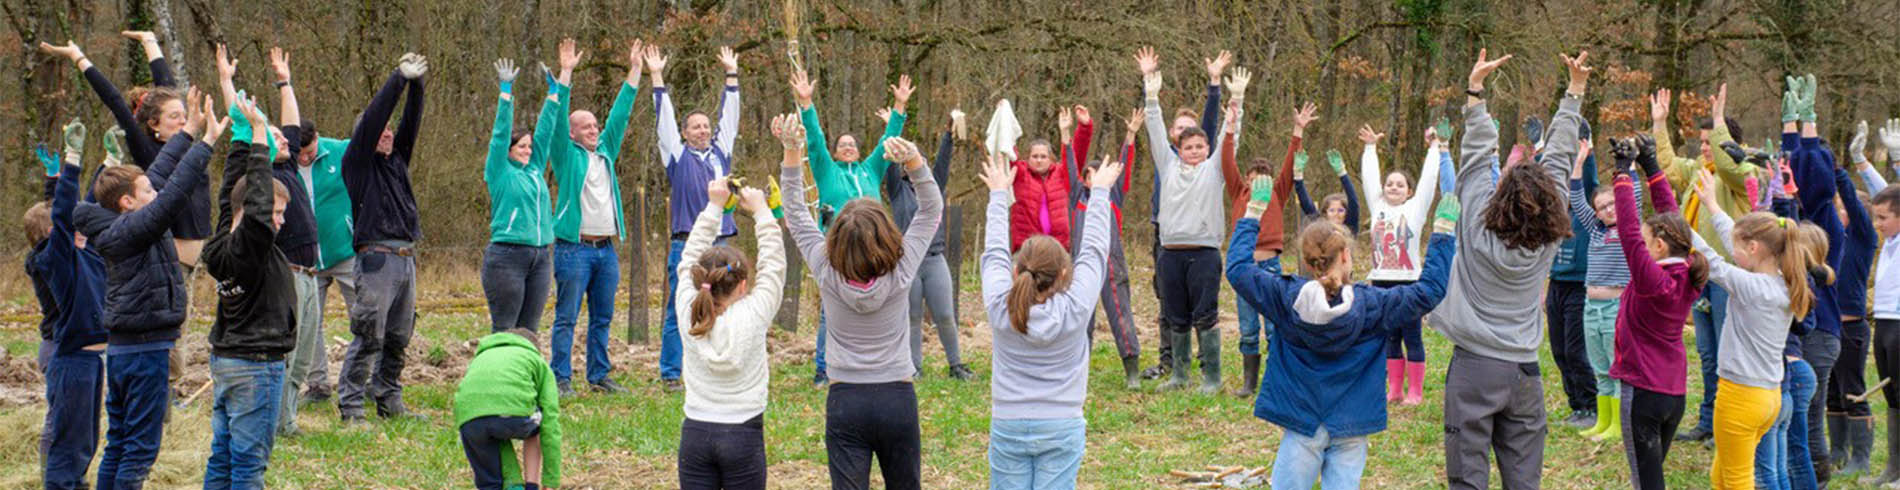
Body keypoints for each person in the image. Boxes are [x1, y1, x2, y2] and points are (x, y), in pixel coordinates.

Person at [1230, 166, 1459, 489]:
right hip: (1352, 421)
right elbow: (1429, 290)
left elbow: (1238, 269)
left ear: (1308, 261)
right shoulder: (1374, 305)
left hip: (1301, 420)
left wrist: (1253, 213)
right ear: (1346, 256)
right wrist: (1443, 234)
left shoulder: (1284, 298)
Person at [1431, 49, 1589, 490]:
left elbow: (1475, 158)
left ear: (1499, 197)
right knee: (1524, 483)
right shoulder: (1550, 237)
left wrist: (1475, 93)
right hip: (1524, 372)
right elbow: (1559, 160)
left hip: (1474, 368)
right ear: (1551, 205)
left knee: (1468, 480)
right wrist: (1574, 91)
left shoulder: (1475, 227)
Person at [775, 113, 940, 490]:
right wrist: (914, 161)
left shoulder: (825, 267)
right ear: (886, 232)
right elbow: (930, 209)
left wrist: (791, 151)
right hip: (897, 397)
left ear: (835, 237)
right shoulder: (902, 268)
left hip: (845, 399)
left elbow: (796, 213)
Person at [76, 88, 224, 490]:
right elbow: (173, 193)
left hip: (128, 350)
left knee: (120, 441)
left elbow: (160, 173)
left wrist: (188, 132)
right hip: (144, 353)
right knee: (139, 450)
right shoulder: (134, 229)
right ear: (127, 202)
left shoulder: (118, 221)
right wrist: (208, 142)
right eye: (146, 192)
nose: (153, 192)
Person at [977, 149, 1120, 489]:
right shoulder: (1076, 306)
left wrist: (999, 196)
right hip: (1061, 423)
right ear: (1065, 274)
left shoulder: (1000, 305)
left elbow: (994, 251)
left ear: (1015, 272)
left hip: (1009, 421)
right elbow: (1095, 250)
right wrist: (1099, 193)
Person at [1686, 159, 1832, 488]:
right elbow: (1734, 243)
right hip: (1768, 397)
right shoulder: (1781, 281)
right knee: (1722, 474)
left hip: (1740, 396)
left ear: (1753, 248)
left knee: (1738, 479)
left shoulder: (1752, 287)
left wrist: (1683, 229)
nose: (1732, 250)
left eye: (1739, 247)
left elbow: (1712, 261)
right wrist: (1712, 206)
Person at [1651, 84, 1765, 444]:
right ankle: (1707, 421)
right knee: (1706, 353)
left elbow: (1731, 166)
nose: (1704, 148)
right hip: (1699, 274)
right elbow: (1668, 166)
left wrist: (1719, 122)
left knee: (1727, 353)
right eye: (1701, 142)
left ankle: (1726, 423)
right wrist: (1659, 124)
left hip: (1728, 278)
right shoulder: (1700, 170)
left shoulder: (1740, 176)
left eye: (1709, 141)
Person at [40, 32, 212, 268]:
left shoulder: (185, 146)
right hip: (165, 262)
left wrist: (149, 41)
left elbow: (167, 86)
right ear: (153, 124)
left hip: (192, 265)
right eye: (174, 116)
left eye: (184, 115)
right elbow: (114, 101)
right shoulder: (147, 149)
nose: (183, 120)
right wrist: (77, 56)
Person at [787, 68, 914, 387]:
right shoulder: (827, 172)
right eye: (842, 144)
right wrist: (806, 104)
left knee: (881, 304)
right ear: (835, 151)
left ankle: (880, 361)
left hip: (875, 250)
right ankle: (823, 369)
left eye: (851, 144)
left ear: (858, 150)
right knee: (830, 311)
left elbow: (887, 141)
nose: (847, 147)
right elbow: (814, 140)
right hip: (838, 250)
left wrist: (899, 108)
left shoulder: (871, 169)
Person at [201, 95, 297, 488]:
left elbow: (232, 194)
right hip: (256, 366)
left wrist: (241, 137)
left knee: (223, 457)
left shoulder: (223, 241)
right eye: (277, 213)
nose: (280, 221)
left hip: (228, 361)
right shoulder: (250, 247)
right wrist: (259, 133)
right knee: (248, 466)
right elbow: (253, 202)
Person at [1603, 135, 1708, 489]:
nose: (1642, 247)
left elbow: (1629, 233)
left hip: (1643, 393)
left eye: (1649, 243)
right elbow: (1675, 222)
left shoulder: (1654, 281)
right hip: (1673, 395)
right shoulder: (1688, 271)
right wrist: (1651, 167)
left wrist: (1623, 175)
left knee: (1646, 482)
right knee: (1650, 477)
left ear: (1659, 247)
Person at [337, 52, 429, 422]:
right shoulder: (357, 165)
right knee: (369, 335)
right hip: (376, 260)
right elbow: (375, 118)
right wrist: (397, 80)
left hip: (406, 259)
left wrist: (417, 86)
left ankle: (389, 400)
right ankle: (351, 406)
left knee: (398, 337)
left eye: (390, 129)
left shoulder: (397, 162)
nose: (388, 132)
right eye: (381, 129)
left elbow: (412, 122)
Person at [546, 40, 641, 396]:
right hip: (574, 249)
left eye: (595, 125)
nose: (593, 129)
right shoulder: (565, 154)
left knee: (602, 318)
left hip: (606, 251)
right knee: (567, 317)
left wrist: (635, 70)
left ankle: (599, 376)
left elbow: (620, 115)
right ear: (572, 133)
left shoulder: (605, 153)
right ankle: (561, 378)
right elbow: (556, 120)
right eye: (585, 126)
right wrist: (566, 73)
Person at [674, 178, 782, 490]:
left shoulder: (688, 309)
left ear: (700, 280)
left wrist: (714, 206)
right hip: (744, 435)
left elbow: (688, 256)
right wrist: (762, 212)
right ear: (744, 285)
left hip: (695, 435)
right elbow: (774, 264)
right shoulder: (755, 312)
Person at [1137, 46, 1233, 394]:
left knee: (1205, 315)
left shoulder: (1214, 169)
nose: (1194, 152)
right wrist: (1151, 94)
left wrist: (1233, 102)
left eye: (1199, 147)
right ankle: (1179, 374)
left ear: (1207, 150)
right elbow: (1154, 129)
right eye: (1188, 147)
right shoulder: (1168, 166)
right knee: (1175, 315)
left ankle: (1212, 377)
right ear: (1178, 149)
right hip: (1171, 252)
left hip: (1204, 252)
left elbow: (1228, 137)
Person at [656, 44, 743, 393]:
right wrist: (657, 78)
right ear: (684, 132)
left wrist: (731, 75)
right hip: (688, 244)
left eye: (706, 126)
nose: (703, 130)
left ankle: (719, 364)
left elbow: (730, 118)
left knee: (726, 306)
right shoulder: (677, 156)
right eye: (695, 127)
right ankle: (671, 372)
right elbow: (663, 121)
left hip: (722, 244)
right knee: (681, 307)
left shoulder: (721, 153)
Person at [28, 121, 108, 490]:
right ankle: (57, 482)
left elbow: (80, 210)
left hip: (87, 360)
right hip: (66, 356)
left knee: (83, 440)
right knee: (64, 435)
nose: (81, 227)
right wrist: (73, 160)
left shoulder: (77, 253)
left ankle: (75, 483)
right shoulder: (52, 262)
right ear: (53, 236)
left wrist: (108, 165)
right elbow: (61, 218)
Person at [1220, 90, 1311, 400]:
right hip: (1245, 267)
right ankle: (1249, 383)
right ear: (1246, 179)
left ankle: (1276, 379)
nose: (1258, 181)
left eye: (1264, 177)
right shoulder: (1239, 193)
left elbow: (1288, 166)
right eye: (1254, 177)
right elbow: (1227, 162)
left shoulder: (1277, 193)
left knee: (1274, 326)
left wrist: (1297, 132)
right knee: (1247, 326)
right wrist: (1229, 130)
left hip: (1271, 268)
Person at [1360, 117, 1447, 405]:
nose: (1393, 187)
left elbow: (1428, 182)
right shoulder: (1377, 207)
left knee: (1411, 336)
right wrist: (1370, 149)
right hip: (1380, 281)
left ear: (1409, 191)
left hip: (1409, 282)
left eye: (1400, 185)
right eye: (1389, 184)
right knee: (1389, 336)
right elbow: (1369, 179)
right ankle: (1395, 389)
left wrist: (1434, 148)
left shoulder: (1415, 210)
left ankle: (1415, 391)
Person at [885, 111, 972, 380]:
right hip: (907, 261)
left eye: (918, 160)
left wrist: (948, 135)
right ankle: (914, 367)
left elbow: (943, 163)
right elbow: (890, 161)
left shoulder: (933, 186)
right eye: (908, 161)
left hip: (935, 259)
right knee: (911, 317)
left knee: (945, 314)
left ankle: (956, 365)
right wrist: (891, 132)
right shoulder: (897, 189)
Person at [478, 54, 559, 336]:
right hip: (507, 256)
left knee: (529, 331)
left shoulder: (534, 170)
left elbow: (545, 133)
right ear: (510, 150)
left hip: (540, 256)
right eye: (521, 146)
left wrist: (554, 94)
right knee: (505, 329)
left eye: (529, 146)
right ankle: (498, 366)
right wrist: (506, 93)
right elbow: (500, 135)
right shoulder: (500, 171)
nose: (527, 150)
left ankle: (525, 367)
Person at [1569, 135, 1640, 441]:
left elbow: (1634, 196)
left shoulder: (1629, 229)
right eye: (1602, 207)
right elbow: (1575, 198)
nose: (1609, 209)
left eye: (1612, 203)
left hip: (1615, 308)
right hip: (1591, 308)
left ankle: (1618, 425)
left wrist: (1629, 166)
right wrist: (1579, 161)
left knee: (1616, 366)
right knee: (1599, 367)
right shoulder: (1596, 231)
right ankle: (1604, 421)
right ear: (1596, 213)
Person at [1073, 109, 1143, 388]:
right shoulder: (1076, 198)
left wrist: (1131, 135)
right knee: (1081, 318)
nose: (1094, 179)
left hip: (1111, 262)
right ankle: (1078, 369)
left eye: (1099, 173)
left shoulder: (1114, 195)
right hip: (1080, 266)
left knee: (1120, 314)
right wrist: (1066, 135)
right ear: (1084, 179)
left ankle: (1132, 369)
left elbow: (1124, 163)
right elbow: (1070, 161)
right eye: (1089, 175)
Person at [1832, 119, 1887, 478]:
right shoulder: (1833, 239)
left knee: (1853, 390)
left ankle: (1861, 457)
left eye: (1842, 207)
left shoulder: (1863, 238)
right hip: (1829, 328)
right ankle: (1837, 451)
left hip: (1852, 329)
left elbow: (1850, 200)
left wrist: (1840, 171)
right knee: (1832, 392)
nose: (1838, 210)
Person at [453, 328, 563, 490]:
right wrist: (551, 479)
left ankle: (508, 485)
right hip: (512, 417)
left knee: (490, 477)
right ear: (534, 348)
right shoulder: (535, 359)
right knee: (536, 428)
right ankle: (531, 485)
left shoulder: (481, 357)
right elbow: (550, 421)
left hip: (469, 419)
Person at [1548, 118, 1599, 430]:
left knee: (1576, 350)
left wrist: (1587, 151)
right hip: (1556, 284)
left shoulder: (1585, 211)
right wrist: (1540, 148)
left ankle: (1591, 404)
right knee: (1559, 350)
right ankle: (1575, 405)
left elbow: (1590, 182)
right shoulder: (1554, 210)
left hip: (1579, 285)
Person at [1005, 104, 1092, 251]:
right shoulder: (1020, 174)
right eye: (1035, 156)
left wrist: (1084, 127)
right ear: (1028, 158)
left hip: (1058, 248)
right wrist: (1005, 117)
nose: (1039, 160)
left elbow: (1076, 155)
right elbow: (1008, 151)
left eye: (1043, 156)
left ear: (1051, 158)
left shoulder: (1061, 173)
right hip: (1027, 249)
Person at [1864, 178, 1900, 486]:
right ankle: (1893, 467)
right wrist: (1860, 163)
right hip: (1884, 321)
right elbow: (1883, 192)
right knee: (1892, 397)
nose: (1878, 224)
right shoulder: (1889, 242)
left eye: (1883, 218)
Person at [1292, 148, 1360, 231]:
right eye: (1332, 210)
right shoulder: (1322, 228)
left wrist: (1342, 172)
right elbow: (1306, 204)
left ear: (1347, 213)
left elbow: (1353, 201)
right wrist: (1298, 175)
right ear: (1325, 213)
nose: (1336, 214)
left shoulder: (1350, 226)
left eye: (1340, 210)